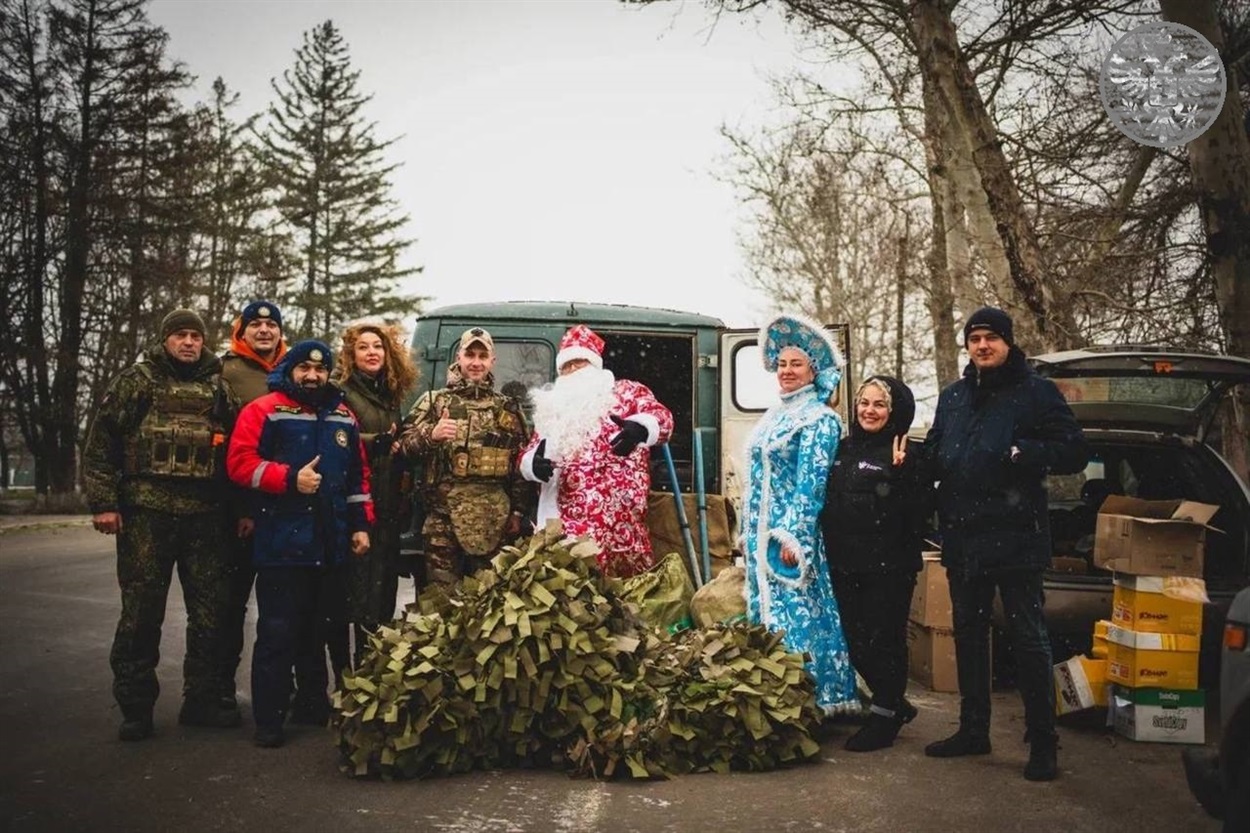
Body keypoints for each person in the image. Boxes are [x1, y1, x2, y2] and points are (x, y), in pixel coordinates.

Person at [922, 306, 1088, 781]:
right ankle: (974, 731)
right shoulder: (954, 398)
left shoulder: (1037, 393)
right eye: (974, 338)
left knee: (1029, 641)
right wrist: (918, 462)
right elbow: (937, 450)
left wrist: (1025, 452)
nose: (982, 345)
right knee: (970, 638)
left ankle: (1043, 743)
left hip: (1017, 538)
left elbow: (1074, 451)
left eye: (991, 337)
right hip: (963, 538)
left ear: (1009, 343)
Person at [83, 308, 240, 740]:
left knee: (211, 615)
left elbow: (239, 452)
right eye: (180, 336)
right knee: (140, 614)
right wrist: (104, 503)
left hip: (206, 518)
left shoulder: (219, 388)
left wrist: (240, 510)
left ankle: (202, 701)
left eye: (195, 336)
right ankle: (135, 706)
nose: (189, 342)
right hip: (147, 514)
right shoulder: (137, 381)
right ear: (166, 339)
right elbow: (100, 446)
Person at [226, 339, 374, 748]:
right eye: (304, 369)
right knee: (278, 633)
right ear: (290, 370)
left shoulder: (343, 417)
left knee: (318, 630)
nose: (313, 376)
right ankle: (269, 720)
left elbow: (357, 480)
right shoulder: (263, 410)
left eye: (321, 370)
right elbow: (239, 465)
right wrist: (289, 479)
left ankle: (311, 705)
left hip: (330, 545)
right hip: (281, 545)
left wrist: (361, 525)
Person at [741, 312, 859, 717]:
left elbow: (812, 485)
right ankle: (775, 698)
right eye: (783, 363)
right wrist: (749, 528)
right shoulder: (775, 415)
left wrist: (794, 536)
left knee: (800, 621)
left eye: (797, 364)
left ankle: (810, 700)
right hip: (761, 536)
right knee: (768, 617)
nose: (787, 371)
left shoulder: (820, 418)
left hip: (789, 542)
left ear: (813, 369)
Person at [821, 375, 926, 751]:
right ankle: (893, 700)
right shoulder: (843, 448)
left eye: (879, 404)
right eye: (864, 402)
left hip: (888, 567)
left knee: (884, 640)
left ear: (894, 411)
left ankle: (884, 716)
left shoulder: (907, 453)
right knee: (853, 640)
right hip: (845, 563)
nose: (869, 410)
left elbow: (918, 517)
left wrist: (903, 476)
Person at [519, 324, 674, 578]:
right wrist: (531, 465)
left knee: (628, 596)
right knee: (577, 596)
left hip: (622, 526)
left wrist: (642, 428)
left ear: (594, 367)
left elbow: (663, 419)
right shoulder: (552, 409)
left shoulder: (627, 392)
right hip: (568, 527)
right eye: (566, 367)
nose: (573, 372)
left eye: (579, 364)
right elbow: (528, 453)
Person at [397, 327, 531, 586]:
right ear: (459, 357)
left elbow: (519, 466)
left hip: (495, 523)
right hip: (443, 523)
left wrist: (517, 511)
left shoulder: (507, 409)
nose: (476, 362)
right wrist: (430, 436)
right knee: (441, 606)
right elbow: (401, 450)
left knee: (488, 608)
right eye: (470, 354)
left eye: (483, 356)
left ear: (493, 361)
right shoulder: (434, 402)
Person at [333, 322, 419, 664]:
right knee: (349, 600)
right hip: (355, 508)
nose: (372, 353)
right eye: (364, 347)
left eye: (378, 347)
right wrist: (379, 443)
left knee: (380, 599)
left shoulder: (390, 395)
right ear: (351, 356)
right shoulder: (341, 392)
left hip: (386, 510)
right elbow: (338, 440)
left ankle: (369, 678)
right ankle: (345, 680)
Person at [218, 299, 288, 712]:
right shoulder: (225, 372)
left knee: (281, 606)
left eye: (271, 324)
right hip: (235, 505)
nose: (264, 330)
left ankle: (281, 689)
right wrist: (239, 507)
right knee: (229, 604)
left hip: (282, 506)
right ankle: (218, 688)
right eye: (256, 324)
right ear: (241, 331)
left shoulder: (293, 373)